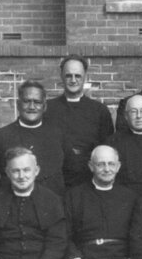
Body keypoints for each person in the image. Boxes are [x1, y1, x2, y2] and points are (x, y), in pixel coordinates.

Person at [0, 80, 66, 195]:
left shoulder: (57, 134)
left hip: (50, 203)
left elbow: (70, 170)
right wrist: (3, 193)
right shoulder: (2, 135)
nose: (32, 107)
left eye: (37, 102)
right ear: (18, 104)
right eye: (26, 101)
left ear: (44, 106)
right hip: (14, 202)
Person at [46, 55, 114, 188]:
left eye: (77, 76)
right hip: (56, 181)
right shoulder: (48, 109)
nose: (73, 80)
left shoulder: (99, 110)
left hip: (88, 181)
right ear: (61, 76)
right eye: (68, 76)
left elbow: (106, 147)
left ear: (85, 77)